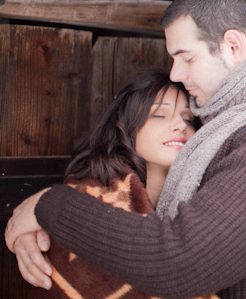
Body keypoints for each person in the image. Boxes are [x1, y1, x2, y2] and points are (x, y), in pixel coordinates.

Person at [6, 0, 246, 299]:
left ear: (232, 45)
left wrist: (49, 206)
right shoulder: (238, 126)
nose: (176, 74)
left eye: (185, 57)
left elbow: (182, 262)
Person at [29, 68, 216, 299]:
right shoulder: (83, 204)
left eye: (188, 119)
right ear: (126, 128)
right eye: (159, 115)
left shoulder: (205, 204)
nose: (180, 125)